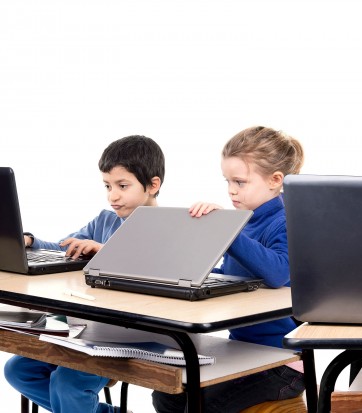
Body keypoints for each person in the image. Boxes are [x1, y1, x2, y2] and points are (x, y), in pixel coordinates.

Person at [6, 135, 165, 413]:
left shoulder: (167, 227)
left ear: (153, 185)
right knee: (19, 370)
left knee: (67, 385)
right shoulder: (105, 220)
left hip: (126, 335)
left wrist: (104, 251)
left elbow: (155, 272)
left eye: (122, 186)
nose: (112, 195)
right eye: (107, 186)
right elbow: (66, 247)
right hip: (85, 327)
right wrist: (29, 242)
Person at [153, 126, 305, 412]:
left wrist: (228, 232)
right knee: (167, 394)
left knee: (204, 405)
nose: (231, 191)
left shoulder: (285, 220)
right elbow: (230, 275)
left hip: (282, 363)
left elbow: (277, 272)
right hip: (241, 351)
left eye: (240, 182)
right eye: (227, 181)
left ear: (275, 180)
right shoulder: (243, 220)